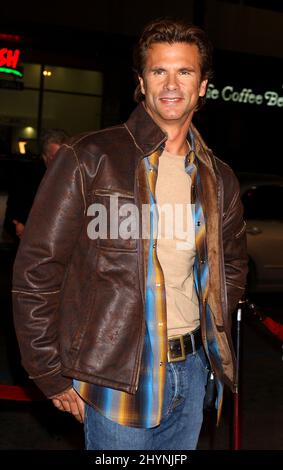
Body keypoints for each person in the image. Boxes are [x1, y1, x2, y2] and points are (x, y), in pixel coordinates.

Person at [12, 19, 248, 450]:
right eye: (159, 71)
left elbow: (230, 264)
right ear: (141, 82)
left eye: (185, 72)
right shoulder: (89, 158)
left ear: (203, 86)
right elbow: (37, 270)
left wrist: (215, 353)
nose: (172, 84)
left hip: (193, 373)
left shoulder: (220, 178)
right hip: (117, 376)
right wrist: (49, 372)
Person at [5, 128, 68, 240]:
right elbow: (13, 217)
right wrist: (21, 224)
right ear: (44, 156)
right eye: (55, 157)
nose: (61, 162)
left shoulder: (72, 178)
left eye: (64, 157)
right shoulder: (26, 178)